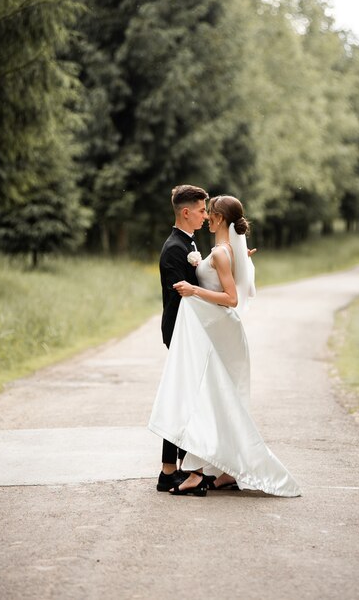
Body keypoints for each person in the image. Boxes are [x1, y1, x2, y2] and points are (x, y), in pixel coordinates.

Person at [149, 195, 301, 497]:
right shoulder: (219, 251)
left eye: (210, 212)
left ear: (219, 218)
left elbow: (231, 298)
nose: (206, 217)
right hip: (210, 330)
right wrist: (238, 262)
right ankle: (224, 471)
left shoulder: (220, 252)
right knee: (216, 397)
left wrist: (195, 288)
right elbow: (221, 278)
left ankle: (197, 471)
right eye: (203, 211)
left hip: (219, 331)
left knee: (209, 396)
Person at [155, 184, 209, 492]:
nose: (205, 215)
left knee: (183, 398)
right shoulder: (175, 248)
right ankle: (180, 472)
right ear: (186, 212)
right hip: (180, 331)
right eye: (202, 210)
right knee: (184, 400)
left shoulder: (187, 242)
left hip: (190, 332)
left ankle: (169, 470)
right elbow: (185, 296)